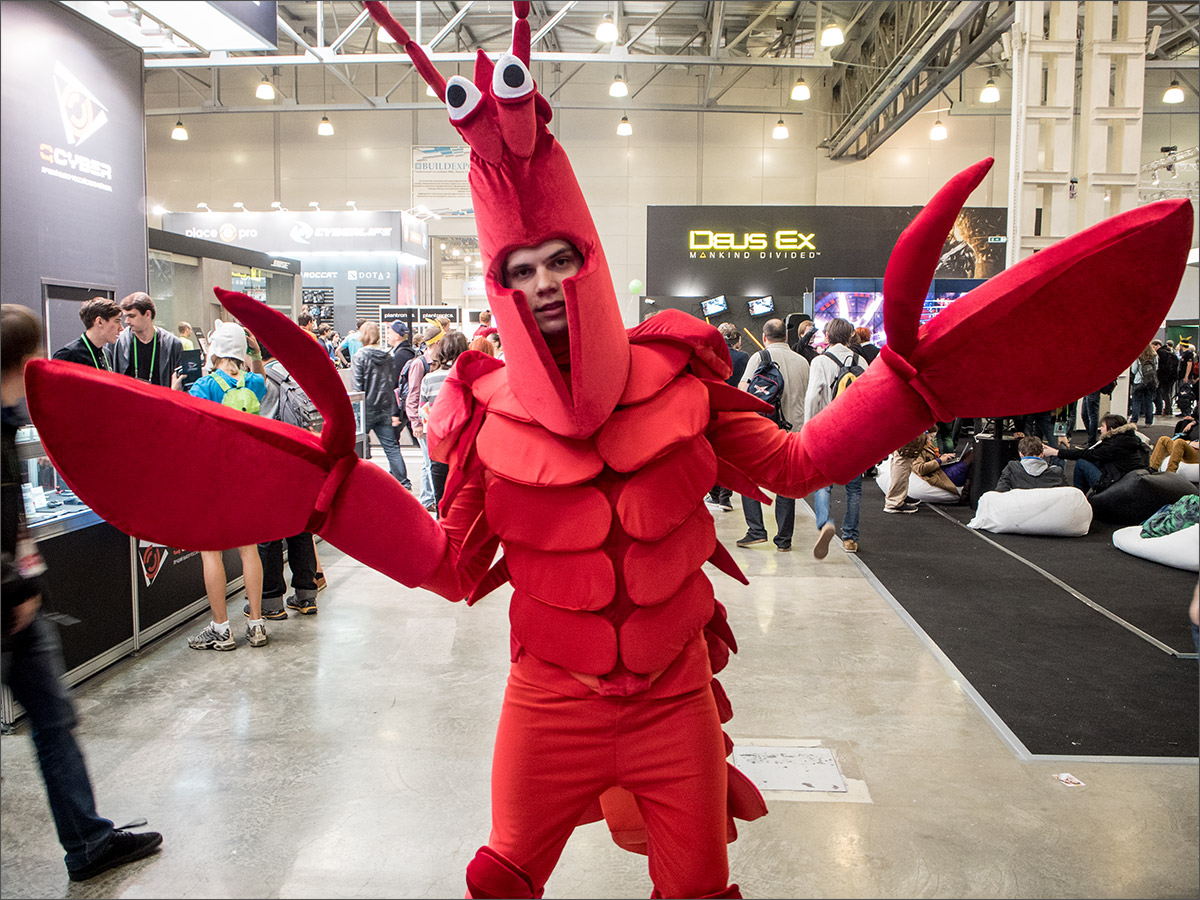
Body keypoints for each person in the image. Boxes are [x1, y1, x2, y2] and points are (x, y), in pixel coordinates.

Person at [2, 304, 163, 881]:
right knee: (53, 721)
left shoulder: (12, 418)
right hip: (11, 606)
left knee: (54, 720)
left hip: (19, 601)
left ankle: (89, 841)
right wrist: (15, 587)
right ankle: (88, 842)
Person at [174, 322, 269, 650]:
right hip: (247, 474)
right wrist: (255, 352)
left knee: (211, 551)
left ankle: (221, 628)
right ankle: (256, 624)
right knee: (249, 550)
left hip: (213, 477)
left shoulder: (204, 386)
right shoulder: (253, 382)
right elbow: (261, 379)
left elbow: (187, 424)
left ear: (214, 350)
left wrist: (174, 390)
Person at [736, 317, 809, 551]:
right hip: (793, 432)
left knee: (748, 479)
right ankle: (784, 540)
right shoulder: (802, 362)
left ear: (764, 337)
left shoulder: (760, 357)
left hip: (763, 432)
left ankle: (756, 530)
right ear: (786, 337)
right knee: (786, 484)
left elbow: (744, 391)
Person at [804, 317, 868, 554]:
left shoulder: (820, 361)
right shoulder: (861, 361)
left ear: (828, 336)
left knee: (823, 484)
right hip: (854, 432)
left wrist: (807, 428)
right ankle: (850, 538)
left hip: (827, 430)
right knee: (854, 488)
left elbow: (813, 396)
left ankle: (824, 524)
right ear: (851, 336)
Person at [351, 321, 410, 490]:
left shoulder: (359, 356)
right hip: (384, 408)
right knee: (391, 447)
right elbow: (391, 384)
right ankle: (403, 482)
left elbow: (357, 387)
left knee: (356, 447)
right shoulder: (387, 356)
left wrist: (356, 412)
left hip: (366, 408)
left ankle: (356, 480)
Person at [419, 330, 469, 512]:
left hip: (438, 442)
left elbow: (423, 409)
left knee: (441, 498)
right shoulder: (469, 376)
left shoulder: (429, 378)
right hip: (465, 442)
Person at [1045, 413, 1149, 495]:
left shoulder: (1112, 445)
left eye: (1103, 426)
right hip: (1127, 481)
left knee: (1082, 463)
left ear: (1111, 429)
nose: (1100, 429)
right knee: (1090, 460)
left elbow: (1087, 454)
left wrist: (1056, 452)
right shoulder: (1129, 439)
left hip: (1116, 484)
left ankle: (1077, 495)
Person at [708, 323, 749, 512]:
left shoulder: (711, 356)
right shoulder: (744, 357)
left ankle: (714, 495)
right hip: (736, 409)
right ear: (736, 339)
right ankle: (725, 498)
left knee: (713, 453)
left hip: (714, 409)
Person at [405, 323, 442, 514]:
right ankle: (429, 499)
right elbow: (413, 394)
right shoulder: (420, 364)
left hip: (433, 421)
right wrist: (415, 422)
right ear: (436, 343)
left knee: (429, 462)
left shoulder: (436, 362)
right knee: (429, 462)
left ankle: (428, 498)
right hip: (424, 421)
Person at [112, 293, 182, 387]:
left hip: (160, 395)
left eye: (132, 316)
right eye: (126, 316)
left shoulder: (172, 344)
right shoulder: (121, 342)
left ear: (148, 314)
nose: (127, 321)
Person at [52, 297, 122, 370]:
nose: (121, 328)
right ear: (99, 322)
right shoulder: (68, 355)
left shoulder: (107, 353)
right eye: (117, 321)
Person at [900, 430, 974, 497]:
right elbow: (920, 469)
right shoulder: (917, 448)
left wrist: (943, 457)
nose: (932, 439)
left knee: (968, 457)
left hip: (937, 470)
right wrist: (940, 460)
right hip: (933, 475)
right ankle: (966, 491)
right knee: (966, 462)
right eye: (931, 437)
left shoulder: (926, 444)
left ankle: (967, 489)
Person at [994, 436, 1066, 491]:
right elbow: (1067, 494)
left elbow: (1001, 491)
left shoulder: (1012, 468)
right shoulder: (1056, 472)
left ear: (1021, 454)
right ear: (1042, 454)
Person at [1128, 343, 1158, 426]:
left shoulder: (1138, 356)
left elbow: (1133, 370)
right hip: (1150, 382)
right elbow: (1156, 368)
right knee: (1149, 401)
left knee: (1136, 401)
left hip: (1139, 381)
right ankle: (1149, 421)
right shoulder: (1154, 356)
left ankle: (1134, 420)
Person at [1155, 339, 1178, 417]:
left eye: (1154, 346)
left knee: (1164, 392)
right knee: (1168, 392)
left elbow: (1160, 365)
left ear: (1158, 345)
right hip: (1171, 375)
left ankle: (1167, 409)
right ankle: (1168, 408)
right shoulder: (1169, 351)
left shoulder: (1160, 352)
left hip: (1164, 376)